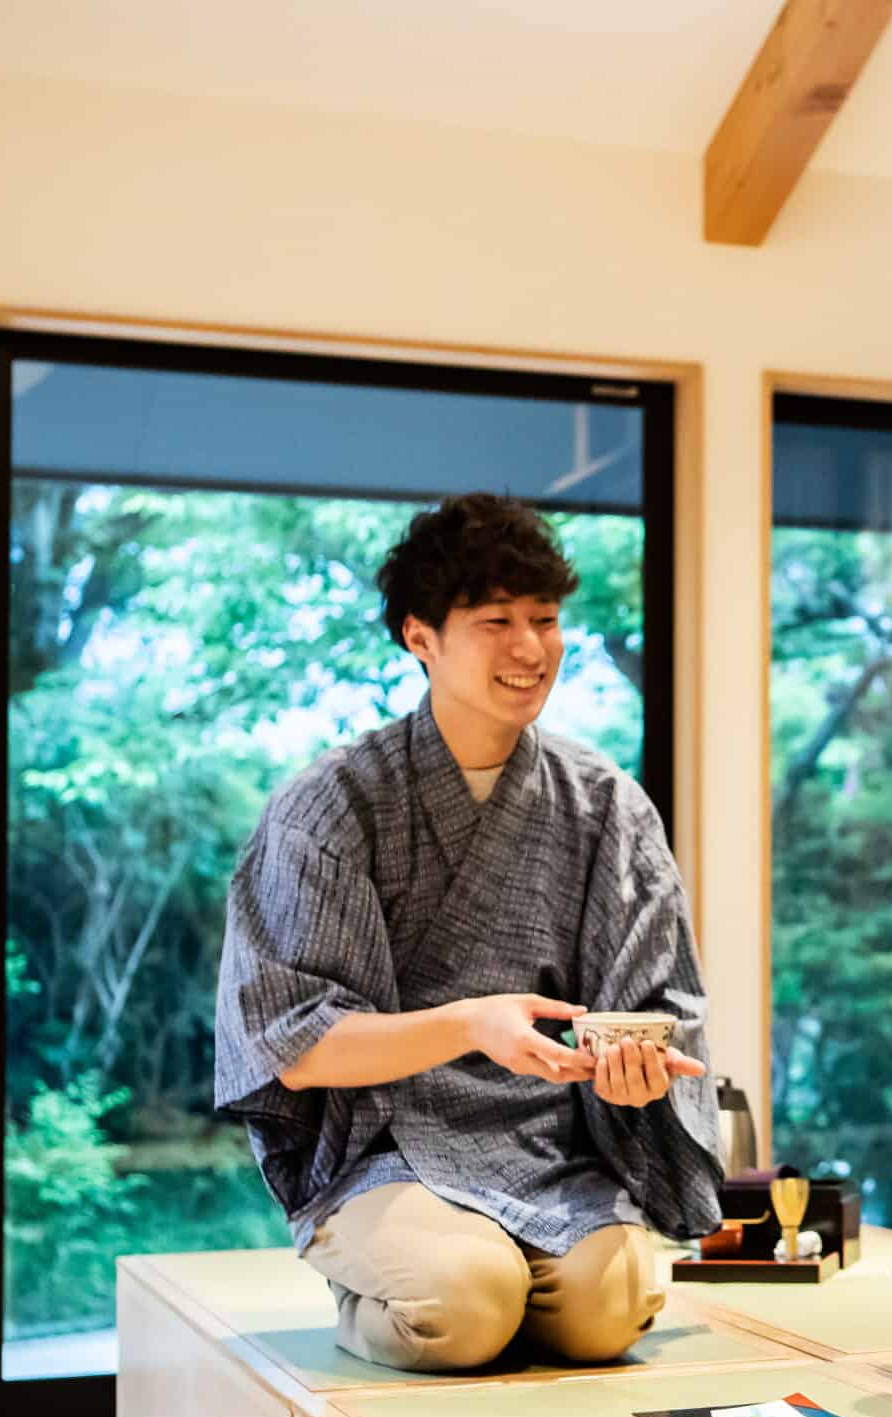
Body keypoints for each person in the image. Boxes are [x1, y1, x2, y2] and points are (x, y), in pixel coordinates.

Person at [214, 493, 721, 1372]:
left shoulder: (606, 805)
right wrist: (468, 1024)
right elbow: (290, 1042)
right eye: (496, 620)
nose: (530, 648)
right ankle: (378, 1298)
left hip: (548, 1146)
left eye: (547, 619)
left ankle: (509, 1289)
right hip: (385, 1148)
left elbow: (655, 1003)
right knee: (467, 1300)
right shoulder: (331, 805)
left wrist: (637, 1078)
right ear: (422, 637)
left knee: (611, 1308)